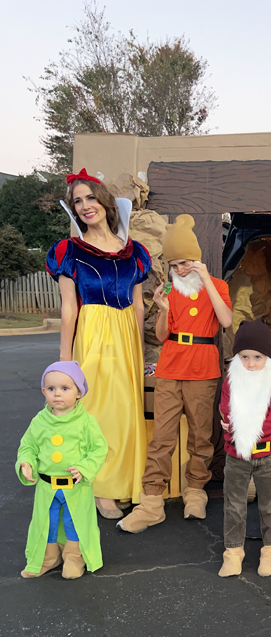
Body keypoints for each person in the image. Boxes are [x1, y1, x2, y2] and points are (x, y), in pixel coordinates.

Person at [46, 169, 151, 520]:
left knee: (125, 413)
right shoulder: (69, 251)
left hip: (125, 336)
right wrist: (64, 363)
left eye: (91, 197)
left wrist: (138, 350)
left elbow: (137, 306)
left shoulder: (134, 252)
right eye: (78, 201)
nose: (85, 205)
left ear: (105, 202)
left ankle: (125, 482)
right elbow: (68, 306)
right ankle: (100, 486)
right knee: (96, 412)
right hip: (92, 332)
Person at [118, 215, 233, 533]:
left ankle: (195, 492)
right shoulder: (169, 289)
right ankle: (151, 503)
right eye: (174, 264)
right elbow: (163, 334)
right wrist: (165, 309)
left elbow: (224, 321)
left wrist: (207, 279)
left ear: (196, 259)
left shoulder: (217, 287)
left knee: (201, 437)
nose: (180, 269)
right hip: (170, 369)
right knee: (161, 440)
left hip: (202, 370)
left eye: (185, 262)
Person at [17, 362, 108, 580]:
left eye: (65, 388)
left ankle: (74, 557)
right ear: (43, 392)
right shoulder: (39, 421)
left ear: (79, 392)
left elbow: (99, 449)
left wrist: (85, 468)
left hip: (75, 488)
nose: (57, 394)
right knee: (45, 522)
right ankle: (48, 558)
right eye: (51, 389)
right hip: (47, 487)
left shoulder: (86, 422)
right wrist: (26, 462)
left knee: (73, 521)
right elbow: (28, 446)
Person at [218, 319, 271, 578]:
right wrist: (233, 425)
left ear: (267, 357)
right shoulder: (230, 383)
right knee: (234, 504)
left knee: (270, 504)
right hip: (236, 456)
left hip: (267, 456)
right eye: (244, 357)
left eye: (257, 357)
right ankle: (233, 552)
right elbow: (226, 410)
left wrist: (243, 427)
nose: (250, 363)